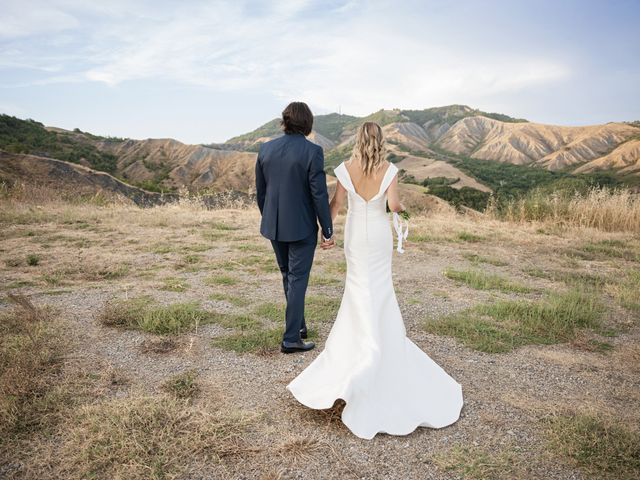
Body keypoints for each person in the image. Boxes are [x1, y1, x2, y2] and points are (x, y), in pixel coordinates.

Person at [286, 122, 464, 439]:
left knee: (356, 287)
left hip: (356, 236)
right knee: (379, 288)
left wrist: (326, 231)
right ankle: (380, 342)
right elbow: (394, 206)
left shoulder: (344, 169)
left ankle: (357, 345)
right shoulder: (390, 169)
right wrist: (405, 216)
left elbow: (337, 205)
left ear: (357, 141)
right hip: (379, 235)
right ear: (380, 142)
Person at [255, 101, 335, 354]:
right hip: (301, 227)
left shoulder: (265, 149)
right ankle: (291, 339)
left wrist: (269, 217)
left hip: (273, 226)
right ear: (308, 122)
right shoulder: (313, 151)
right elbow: (319, 195)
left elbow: (261, 192)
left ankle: (299, 327)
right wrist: (327, 228)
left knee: (287, 275)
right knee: (297, 279)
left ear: (285, 120)